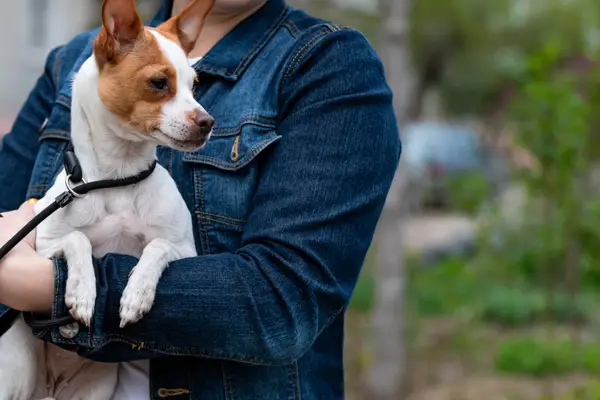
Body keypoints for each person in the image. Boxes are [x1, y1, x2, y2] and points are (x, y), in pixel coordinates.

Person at [0, 0, 400, 398]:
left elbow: (281, 304)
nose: (197, 112)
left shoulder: (327, 65)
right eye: (159, 85)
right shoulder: (78, 59)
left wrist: (48, 286)